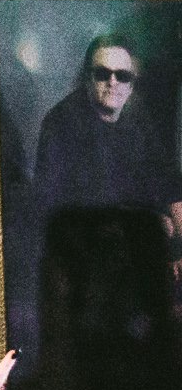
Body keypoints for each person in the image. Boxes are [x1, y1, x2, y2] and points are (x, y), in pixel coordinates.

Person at [31, 36, 182, 242]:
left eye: (123, 76)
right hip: (84, 244)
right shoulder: (61, 122)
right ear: (88, 78)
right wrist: (149, 223)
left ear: (131, 85)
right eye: (103, 74)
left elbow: (167, 183)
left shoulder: (138, 117)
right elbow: (67, 208)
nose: (113, 82)